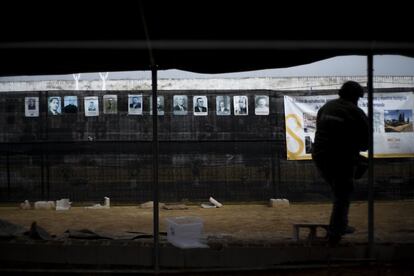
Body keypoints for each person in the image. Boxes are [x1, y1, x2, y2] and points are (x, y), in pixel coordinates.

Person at [312, 81, 368, 246]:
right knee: (343, 192)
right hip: (341, 158)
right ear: (356, 97)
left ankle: (339, 225)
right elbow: (366, 143)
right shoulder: (355, 112)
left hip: (321, 156)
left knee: (341, 191)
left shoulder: (327, 107)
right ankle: (336, 231)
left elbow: (320, 129)